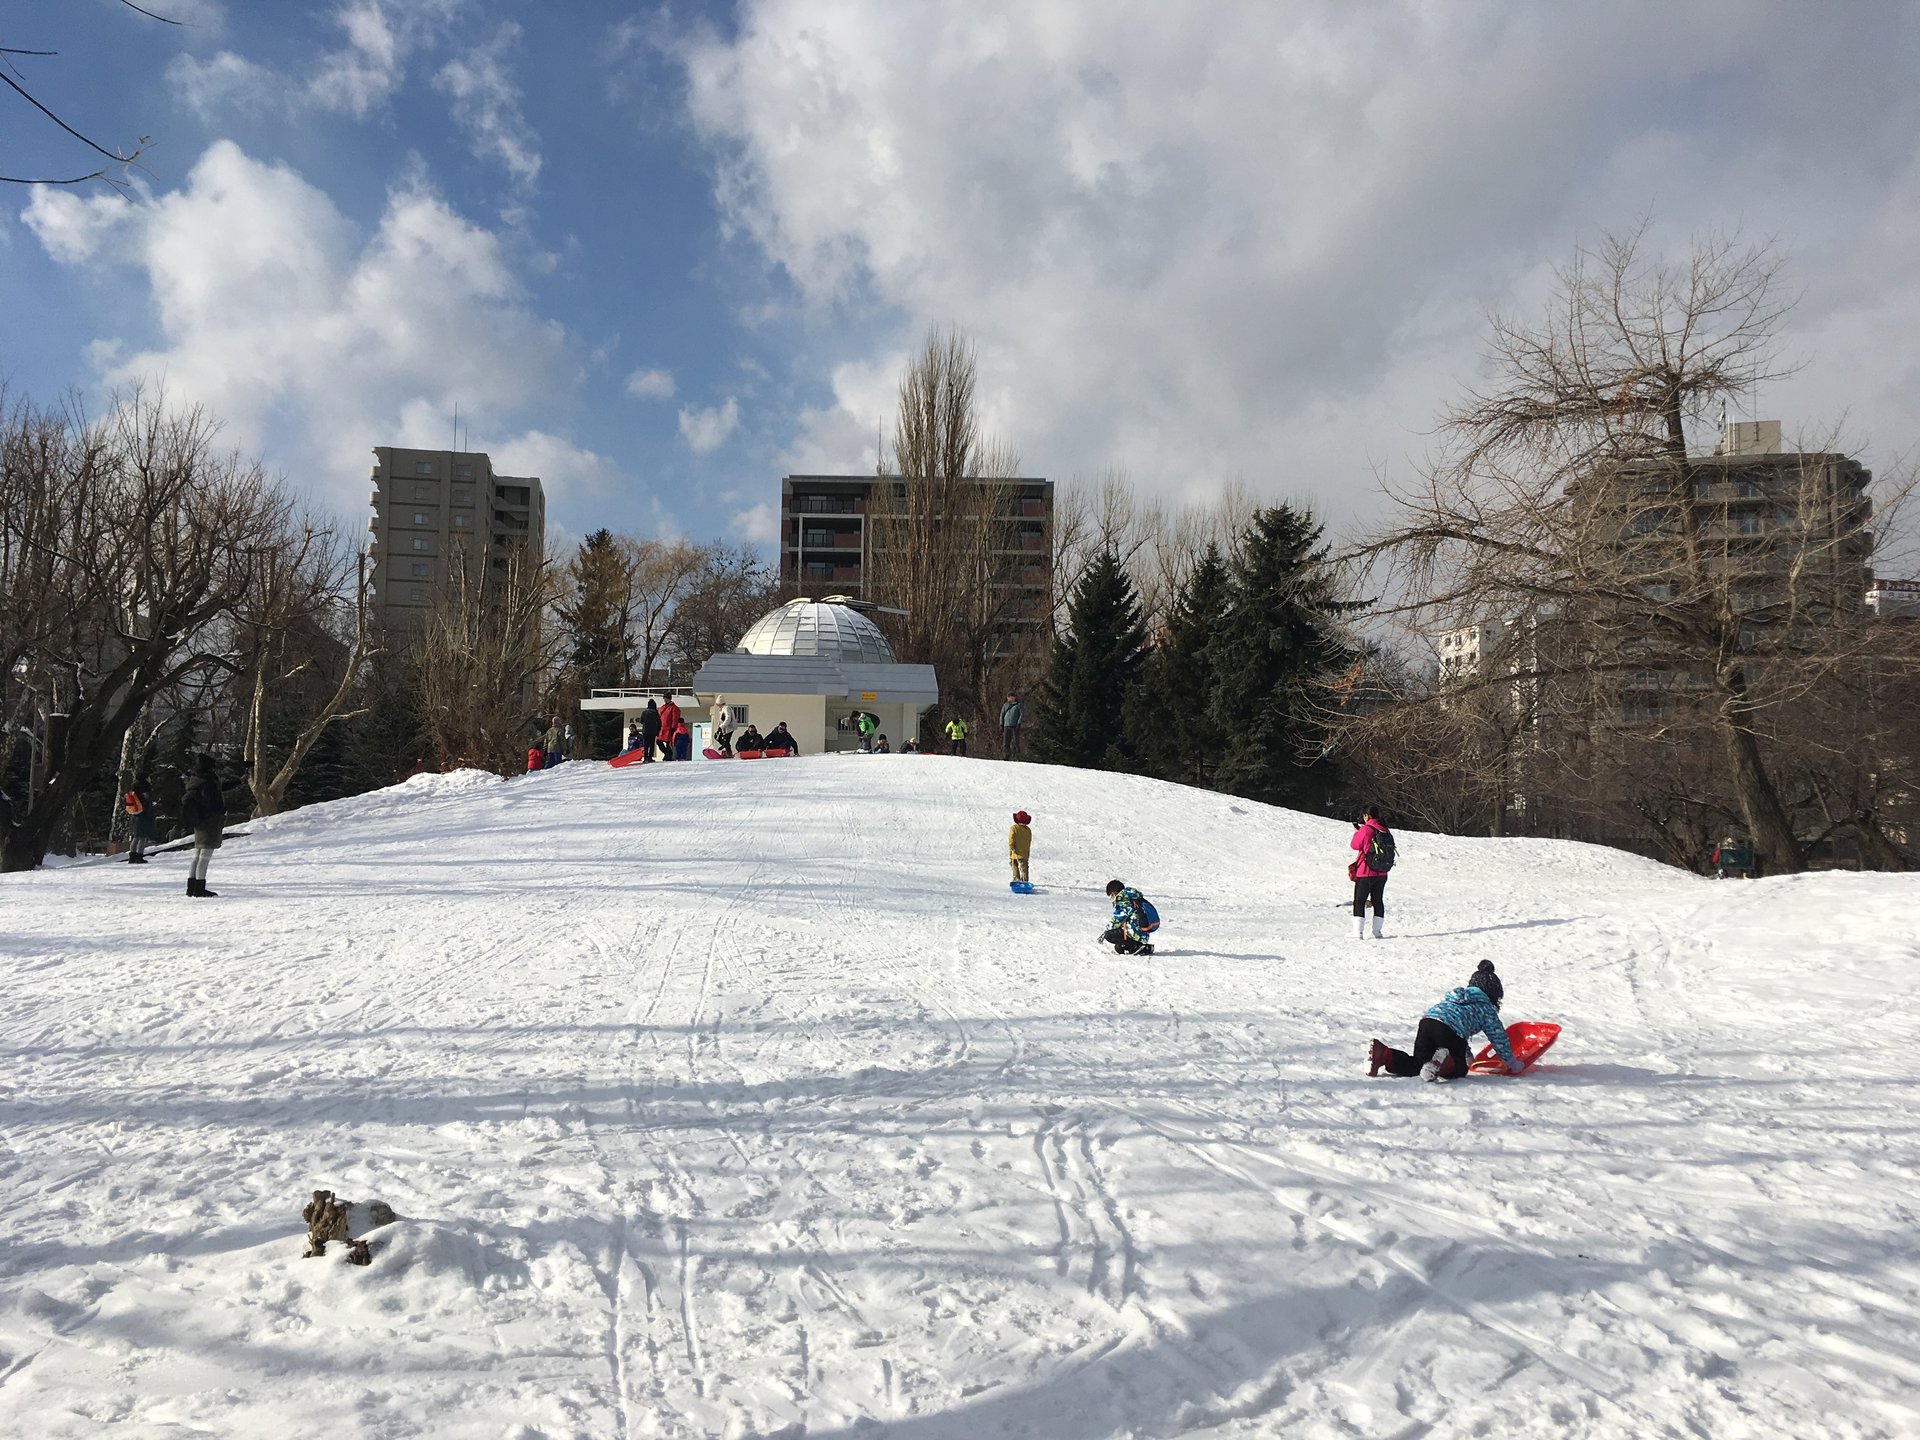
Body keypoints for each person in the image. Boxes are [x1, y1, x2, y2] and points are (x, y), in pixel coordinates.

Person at [1369, 960, 1522, 1080]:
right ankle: (1444, 1063)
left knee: (1417, 1064)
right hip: (1450, 1030)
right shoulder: (1486, 1009)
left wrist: (1468, 1055)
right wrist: (1511, 1063)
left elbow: (1463, 1030)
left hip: (1428, 1021)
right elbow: (1498, 1038)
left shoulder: (1457, 998)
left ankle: (1384, 1054)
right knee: (1460, 1069)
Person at [178, 754, 227, 898]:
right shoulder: (209, 781)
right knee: (205, 856)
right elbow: (210, 801)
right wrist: (221, 810)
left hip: (198, 821)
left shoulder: (195, 779)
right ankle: (200, 887)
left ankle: (191, 887)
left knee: (197, 854)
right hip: (209, 821)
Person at [1349, 803, 1395, 939]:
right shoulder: (1385, 830)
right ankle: (1377, 932)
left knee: (1359, 900)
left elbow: (1354, 845)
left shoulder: (1366, 829)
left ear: (1366, 816)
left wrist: (1357, 832)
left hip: (1366, 871)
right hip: (1382, 872)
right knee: (1377, 900)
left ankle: (1357, 932)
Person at [1101, 879, 1155, 956]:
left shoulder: (1122, 899)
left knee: (1109, 935)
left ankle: (1137, 946)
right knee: (1119, 948)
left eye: (1110, 896)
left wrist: (1105, 932)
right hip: (1141, 933)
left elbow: (1117, 919)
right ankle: (1143, 948)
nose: (1111, 899)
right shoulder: (1132, 897)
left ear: (1114, 893)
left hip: (1135, 932)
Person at [124, 772, 156, 863]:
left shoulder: (134, 787)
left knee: (136, 836)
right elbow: (147, 801)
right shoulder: (144, 787)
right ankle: (139, 856)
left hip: (135, 813)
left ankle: (132, 856)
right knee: (142, 836)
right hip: (144, 814)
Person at [1008, 810, 1033, 884]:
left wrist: (1011, 846)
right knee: (1024, 867)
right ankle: (1025, 881)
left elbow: (1011, 838)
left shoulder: (1014, 828)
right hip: (1025, 852)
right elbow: (1029, 840)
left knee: (1014, 865)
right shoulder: (1028, 830)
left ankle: (1016, 879)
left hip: (1015, 851)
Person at [1000, 693, 1026, 760]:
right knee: (1006, 742)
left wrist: (1019, 723)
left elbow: (1021, 714)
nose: (1010, 698)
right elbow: (1002, 715)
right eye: (1009, 697)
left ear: (1014, 697)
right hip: (1006, 725)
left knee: (1015, 742)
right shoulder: (1005, 705)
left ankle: (1017, 756)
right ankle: (1006, 756)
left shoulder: (1018, 705)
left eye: (1011, 697)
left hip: (1014, 726)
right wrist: (1001, 724)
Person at [658, 697, 684, 761]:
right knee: (659, 741)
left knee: (668, 743)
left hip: (669, 728)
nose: (664, 700)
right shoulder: (663, 707)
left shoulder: (674, 708)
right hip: (662, 728)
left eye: (665, 698)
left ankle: (668, 755)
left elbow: (675, 718)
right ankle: (667, 753)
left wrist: (673, 727)